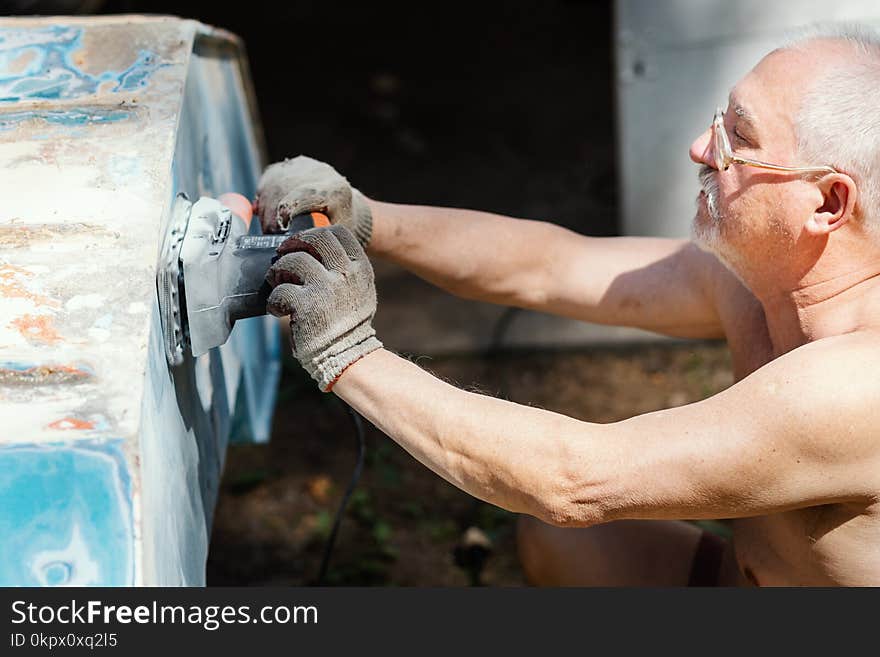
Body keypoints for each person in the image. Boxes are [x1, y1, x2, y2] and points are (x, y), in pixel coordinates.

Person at [253, 25, 880, 586]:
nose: (700, 148)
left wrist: (347, 352)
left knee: (564, 514)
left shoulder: (857, 383)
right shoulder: (763, 281)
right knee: (569, 545)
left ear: (828, 203)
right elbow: (550, 266)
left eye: (738, 137)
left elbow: (575, 480)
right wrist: (364, 216)